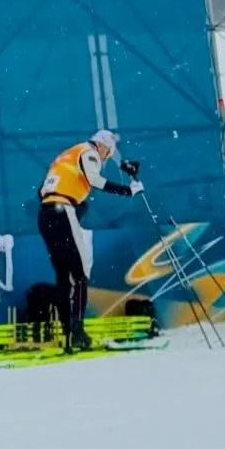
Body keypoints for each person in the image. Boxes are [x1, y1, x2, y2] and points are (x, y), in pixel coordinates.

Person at [36, 128, 142, 350]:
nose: (105, 158)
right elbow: (95, 180)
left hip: (45, 213)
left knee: (64, 276)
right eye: (108, 153)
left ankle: (66, 335)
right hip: (61, 210)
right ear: (102, 145)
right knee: (81, 272)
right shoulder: (89, 151)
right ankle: (77, 331)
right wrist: (127, 191)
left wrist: (76, 204)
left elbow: (43, 191)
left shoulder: (68, 153)